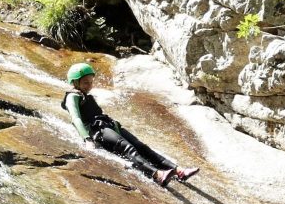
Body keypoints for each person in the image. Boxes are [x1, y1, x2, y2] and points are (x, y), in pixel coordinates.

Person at [61, 62, 200, 187]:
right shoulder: (72, 96)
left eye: (91, 82)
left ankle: (178, 170)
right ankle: (157, 175)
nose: (89, 86)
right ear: (75, 82)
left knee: (142, 147)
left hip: (108, 125)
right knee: (128, 148)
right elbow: (76, 118)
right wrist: (87, 139)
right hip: (98, 131)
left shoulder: (85, 95)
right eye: (85, 82)